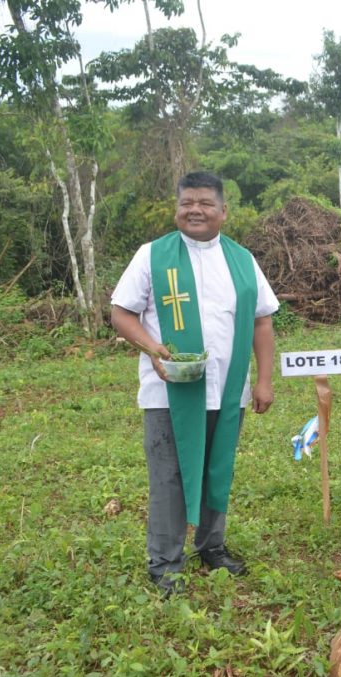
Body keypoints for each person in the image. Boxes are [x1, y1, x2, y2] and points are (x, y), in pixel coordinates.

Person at [111, 171, 279, 597]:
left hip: (227, 388)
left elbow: (262, 321)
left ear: (224, 211)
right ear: (176, 209)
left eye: (205, 203)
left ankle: (212, 546)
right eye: (187, 202)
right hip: (168, 388)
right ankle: (165, 562)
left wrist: (263, 380)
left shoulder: (242, 260)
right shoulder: (153, 255)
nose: (195, 210)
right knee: (168, 475)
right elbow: (121, 313)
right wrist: (152, 347)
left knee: (215, 468)